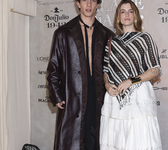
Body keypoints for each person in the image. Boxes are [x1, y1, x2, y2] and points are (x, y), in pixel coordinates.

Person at [46, 0, 115, 150]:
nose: (88, 4)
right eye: (84, 0)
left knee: (96, 143)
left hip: (99, 99)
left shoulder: (107, 35)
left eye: (93, 1)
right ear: (78, 3)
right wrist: (56, 96)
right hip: (72, 100)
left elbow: (112, 70)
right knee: (72, 143)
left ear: (98, 4)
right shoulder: (63, 33)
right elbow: (53, 69)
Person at [99, 0, 162, 149]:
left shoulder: (145, 38)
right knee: (116, 141)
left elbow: (155, 70)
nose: (126, 14)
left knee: (139, 141)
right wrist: (107, 85)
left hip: (139, 97)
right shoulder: (111, 42)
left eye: (130, 11)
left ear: (135, 15)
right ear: (118, 17)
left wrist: (131, 81)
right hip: (115, 99)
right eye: (122, 11)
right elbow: (106, 70)